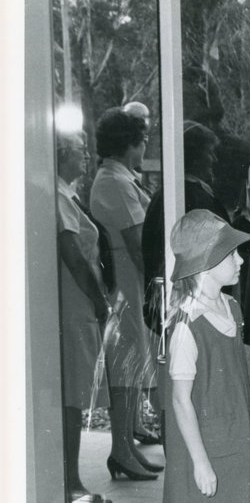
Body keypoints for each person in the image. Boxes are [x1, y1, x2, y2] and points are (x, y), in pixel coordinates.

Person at [161, 210, 250, 503]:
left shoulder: (231, 307)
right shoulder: (186, 324)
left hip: (228, 434)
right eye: (232, 254)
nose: (241, 261)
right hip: (198, 443)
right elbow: (182, 401)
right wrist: (200, 461)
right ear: (206, 261)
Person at [89, 107, 162, 478]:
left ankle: (127, 447)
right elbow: (136, 242)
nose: (144, 146)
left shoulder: (121, 178)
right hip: (126, 281)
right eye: (142, 140)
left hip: (131, 280)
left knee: (131, 368)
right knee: (124, 369)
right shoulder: (113, 182)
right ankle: (120, 449)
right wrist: (156, 287)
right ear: (129, 143)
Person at [55, 130, 115, 503]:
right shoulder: (58, 197)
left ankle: (70, 478)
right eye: (80, 151)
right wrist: (99, 300)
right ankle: (69, 481)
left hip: (79, 305)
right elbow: (74, 256)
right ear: (62, 154)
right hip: (76, 305)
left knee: (73, 397)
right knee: (72, 397)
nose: (87, 157)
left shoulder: (66, 195)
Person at [142, 121, 229, 333]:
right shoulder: (195, 197)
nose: (214, 159)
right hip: (192, 309)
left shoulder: (164, 195)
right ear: (194, 157)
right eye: (209, 153)